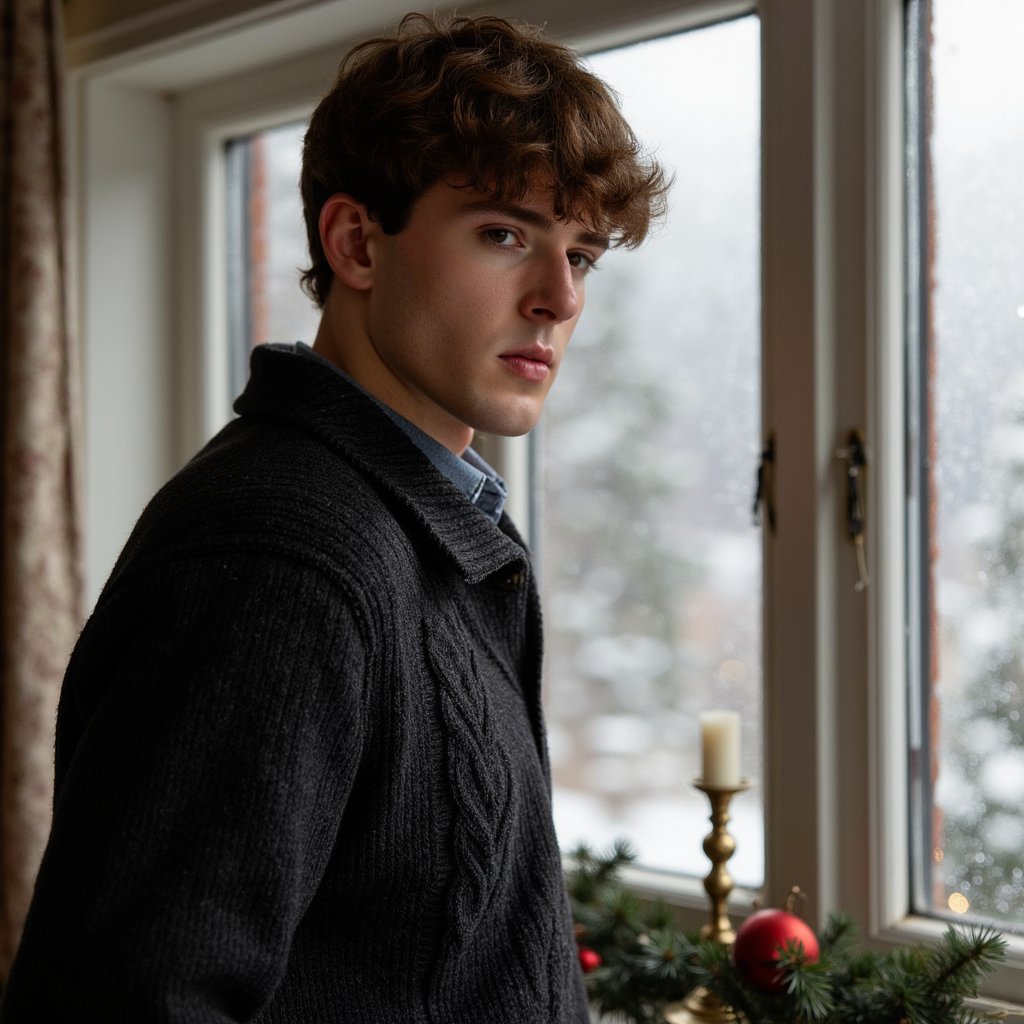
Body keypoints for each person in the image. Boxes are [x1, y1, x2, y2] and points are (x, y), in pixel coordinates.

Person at [1, 11, 667, 1022]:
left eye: (582, 254)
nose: (558, 297)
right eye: (504, 234)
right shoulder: (283, 556)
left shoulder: (432, 520)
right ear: (357, 241)